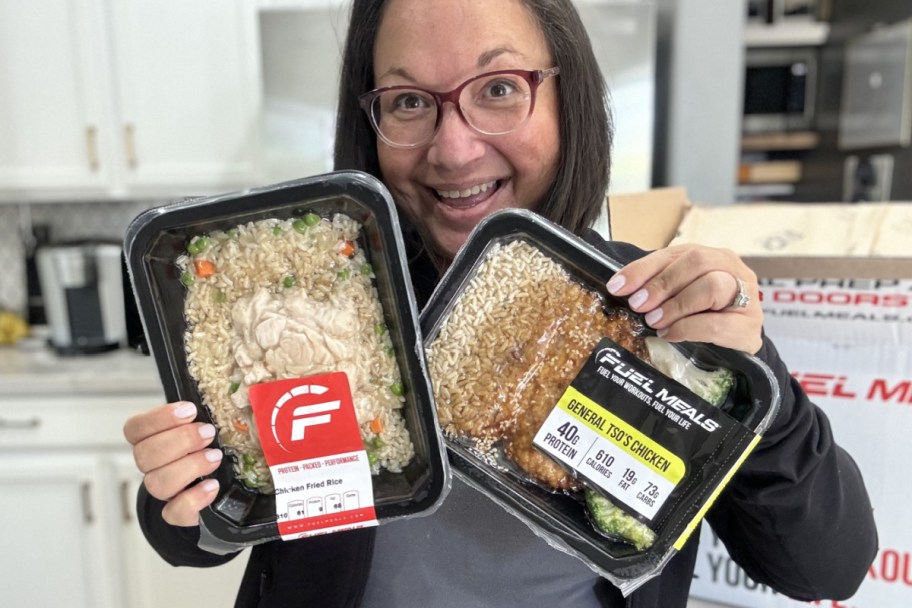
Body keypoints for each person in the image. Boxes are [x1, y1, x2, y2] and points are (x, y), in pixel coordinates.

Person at [123, 0, 878, 606]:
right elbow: (200, 524)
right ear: (371, 122)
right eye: (411, 100)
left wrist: (757, 386)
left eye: (498, 89)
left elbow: (825, 568)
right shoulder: (326, 299)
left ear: (567, 98)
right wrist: (186, 500)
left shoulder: (654, 313)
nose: (454, 150)